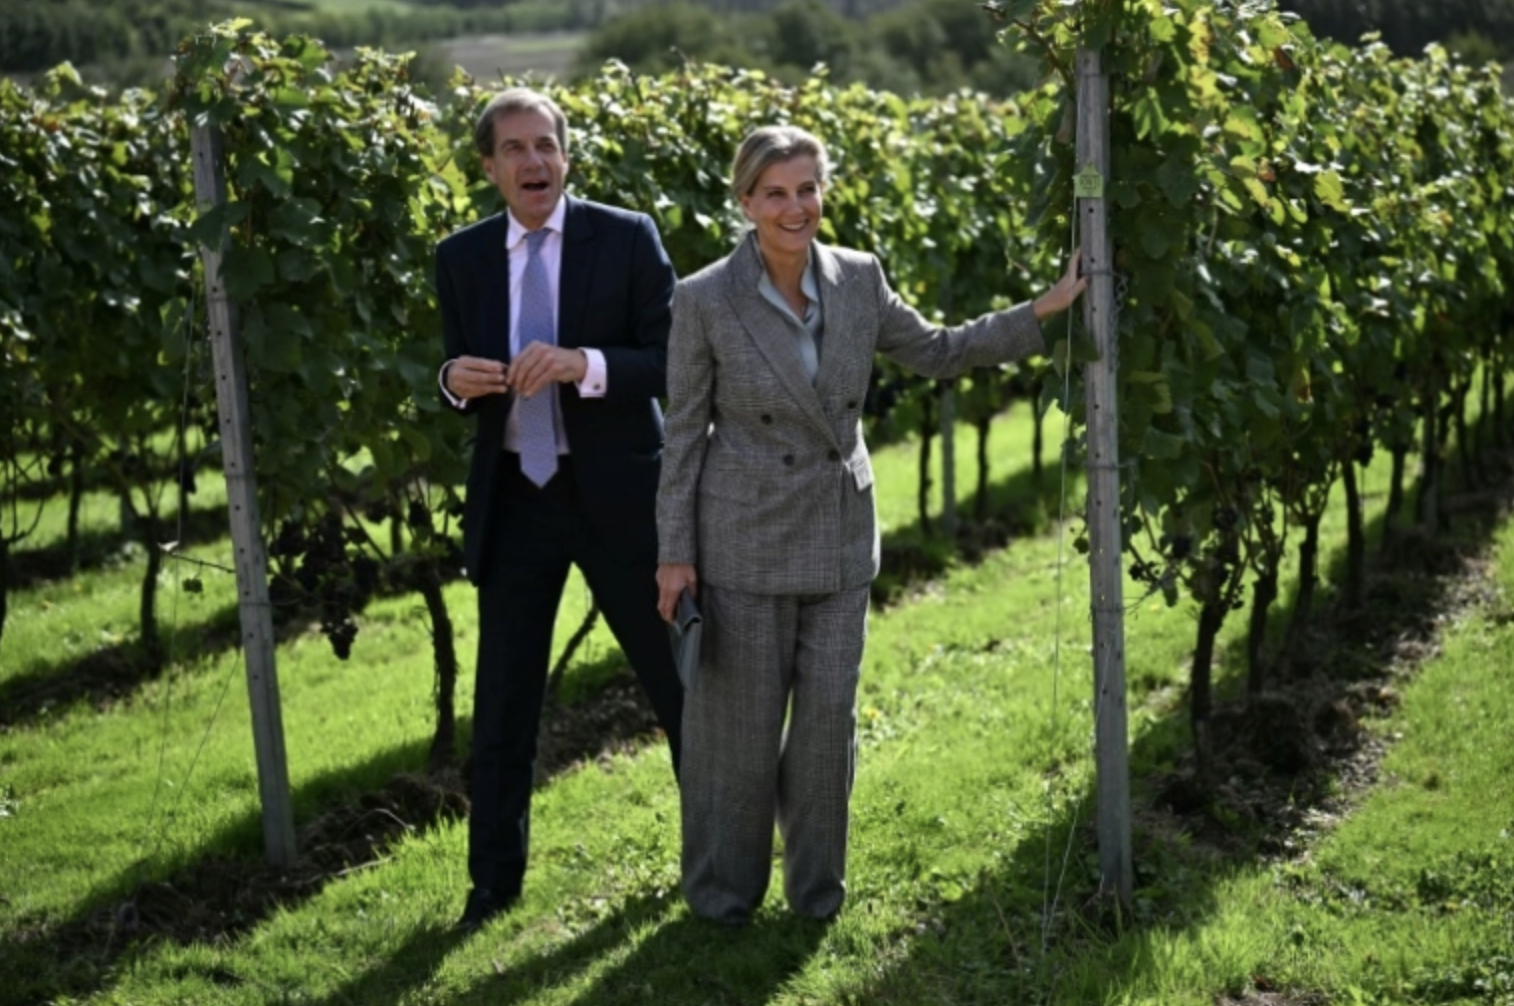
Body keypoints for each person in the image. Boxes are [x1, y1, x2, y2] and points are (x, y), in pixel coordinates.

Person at [654, 125, 1086, 925]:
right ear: (745, 201)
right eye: (776, 193)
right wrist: (674, 557)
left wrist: (1043, 311)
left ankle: (817, 899)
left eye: (808, 189)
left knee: (825, 736)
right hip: (741, 542)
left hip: (841, 538)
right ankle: (721, 900)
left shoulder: (859, 279)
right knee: (737, 741)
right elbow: (682, 434)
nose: (796, 207)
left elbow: (940, 351)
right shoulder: (703, 297)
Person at [436, 87, 684, 934]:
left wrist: (585, 364)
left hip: (619, 495)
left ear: (566, 156)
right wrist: (451, 382)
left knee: (679, 683)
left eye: (546, 145)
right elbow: (455, 370)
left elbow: (674, 359)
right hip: (517, 500)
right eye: (513, 149)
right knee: (503, 707)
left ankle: (720, 858)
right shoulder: (460, 258)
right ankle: (491, 888)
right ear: (489, 167)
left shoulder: (626, 237)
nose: (533, 162)